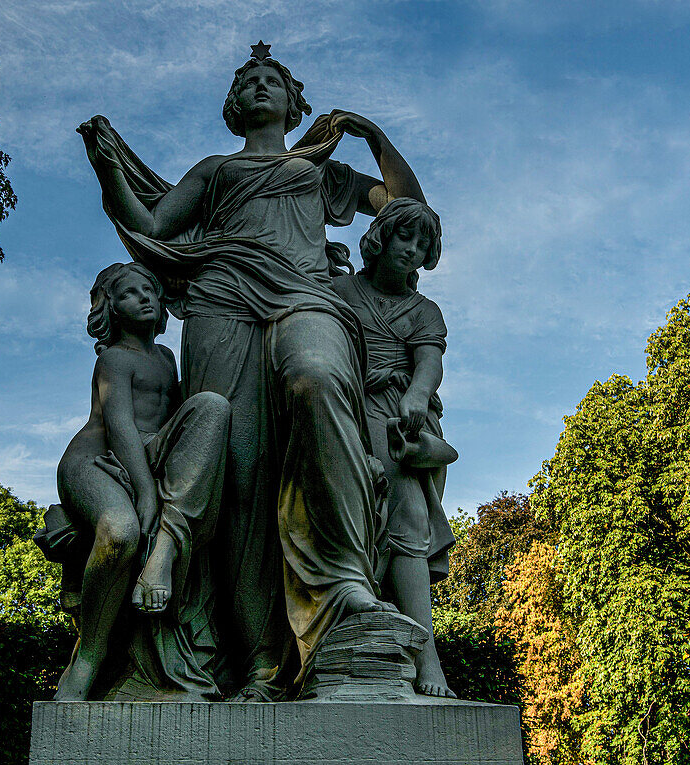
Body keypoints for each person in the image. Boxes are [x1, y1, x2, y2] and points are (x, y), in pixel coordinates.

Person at [77, 44, 430, 699]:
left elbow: (406, 206)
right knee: (237, 477)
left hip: (306, 295)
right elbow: (152, 222)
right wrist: (108, 170)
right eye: (249, 81)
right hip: (220, 299)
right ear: (234, 106)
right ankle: (261, 663)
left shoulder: (321, 171)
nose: (260, 86)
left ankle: (343, 586)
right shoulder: (214, 169)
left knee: (319, 379)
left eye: (273, 80)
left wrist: (376, 137)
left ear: (296, 105)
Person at [47, 262, 231, 700]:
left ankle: (166, 557)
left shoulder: (166, 358)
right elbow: (121, 425)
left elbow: (186, 424)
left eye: (149, 288)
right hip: (96, 460)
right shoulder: (115, 358)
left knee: (212, 406)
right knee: (122, 531)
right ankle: (87, 655)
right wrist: (146, 489)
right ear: (110, 308)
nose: (145, 297)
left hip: (149, 454)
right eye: (130, 293)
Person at [332, 198, 458, 698]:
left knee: (406, 519)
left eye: (423, 244)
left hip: (396, 417)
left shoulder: (424, 311)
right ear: (381, 236)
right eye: (405, 237)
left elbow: (429, 363)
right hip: (341, 406)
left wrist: (415, 394)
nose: (412, 250)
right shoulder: (340, 291)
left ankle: (427, 657)